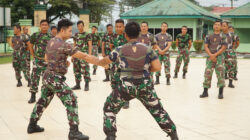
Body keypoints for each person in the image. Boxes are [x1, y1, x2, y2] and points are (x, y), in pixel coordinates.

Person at [82, 21, 179, 140]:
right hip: (145, 86)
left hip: (126, 87)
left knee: (109, 108)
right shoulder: (148, 49)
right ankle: (174, 136)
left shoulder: (120, 49)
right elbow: (158, 67)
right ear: (139, 34)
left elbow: (103, 62)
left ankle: (111, 136)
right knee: (159, 111)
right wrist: (145, 71)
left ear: (125, 35)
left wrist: (88, 58)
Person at [27, 19, 89, 140]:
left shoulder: (51, 41)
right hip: (55, 78)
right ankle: (74, 132)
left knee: (43, 101)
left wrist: (62, 61)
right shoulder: (65, 44)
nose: (71, 33)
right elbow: (83, 55)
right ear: (62, 30)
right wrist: (102, 62)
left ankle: (32, 125)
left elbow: (46, 58)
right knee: (71, 99)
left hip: (47, 76)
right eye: (70, 31)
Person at [200, 21, 227, 99]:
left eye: (218, 25)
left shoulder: (223, 36)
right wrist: (211, 55)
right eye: (215, 24)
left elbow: (223, 47)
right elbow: (205, 46)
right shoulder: (209, 35)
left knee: (220, 74)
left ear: (221, 26)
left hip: (219, 57)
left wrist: (214, 55)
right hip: (209, 57)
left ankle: (220, 93)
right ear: (213, 26)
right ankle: (205, 92)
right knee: (207, 74)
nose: (217, 26)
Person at [27, 19, 51, 103]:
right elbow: (30, 44)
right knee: (34, 78)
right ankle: (33, 96)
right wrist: (33, 55)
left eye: (46, 24)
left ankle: (44, 96)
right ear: (40, 26)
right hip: (37, 61)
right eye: (42, 24)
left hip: (47, 62)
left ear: (48, 26)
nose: (44, 26)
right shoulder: (35, 35)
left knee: (47, 79)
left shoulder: (51, 37)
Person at [110, 19, 129, 109]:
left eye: (120, 26)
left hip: (125, 64)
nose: (118, 28)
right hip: (114, 64)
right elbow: (111, 48)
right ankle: (115, 99)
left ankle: (126, 101)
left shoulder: (127, 36)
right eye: (116, 26)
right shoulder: (112, 36)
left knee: (125, 82)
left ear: (123, 27)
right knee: (114, 82)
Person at [71, 20, 92, 91]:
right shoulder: (76, 35)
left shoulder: (87, 35)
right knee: (76, 70)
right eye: (79, 26)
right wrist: (72, 55)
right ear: (77, 27)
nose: (80, 27)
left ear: (83, 26)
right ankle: (77, 85)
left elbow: (90, 45)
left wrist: (89, 55)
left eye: (81, 26)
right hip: (76, 55)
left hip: (84, 55)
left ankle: (87, 84)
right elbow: (74, 45)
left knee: (85, 70)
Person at [222, 21, 236, 88]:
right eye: (222, 26)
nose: (223, 27)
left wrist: (232, 49)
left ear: (227, 26)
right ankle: (221, 83)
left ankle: (230, 83)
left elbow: (235, 42)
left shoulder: (232, 35)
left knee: (230, 67)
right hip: (221, 52)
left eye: (224, 26)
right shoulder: (220, 34)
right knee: (221, 67)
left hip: (229, 52)